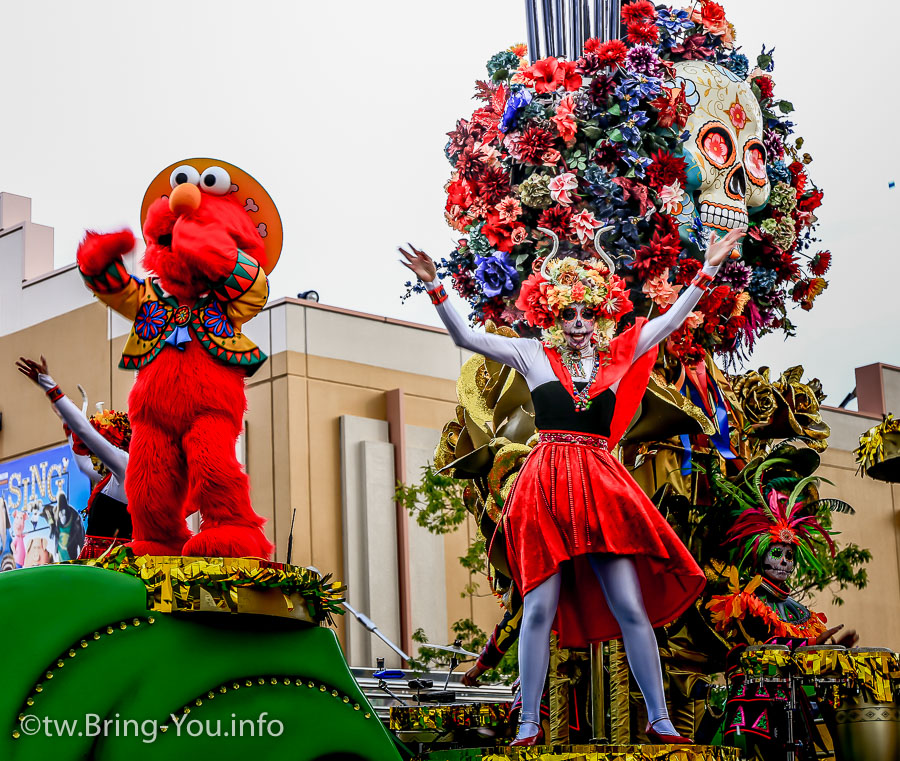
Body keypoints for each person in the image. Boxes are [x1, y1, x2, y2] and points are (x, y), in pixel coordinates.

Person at [401, 226, 745, 745]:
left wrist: (709, 267)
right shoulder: (533, 354)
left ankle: (660, 719)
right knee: (538, 607)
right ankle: (528, 724)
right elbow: (465, 338)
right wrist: (436, 286)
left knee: (631, 606)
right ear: (551, 314)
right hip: (545, 483)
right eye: (568, 314)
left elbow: (671, 319)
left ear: (601, 312)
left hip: (602, 485)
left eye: (587, 313)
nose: (579, 323)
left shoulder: (621, 351)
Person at [16, 355, 132, 557]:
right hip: (101, 564)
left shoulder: (125, 467)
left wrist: (49, 385)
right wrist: (67, 421)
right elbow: (82, 463)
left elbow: (85, 432)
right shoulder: (111, 480)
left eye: (102, 444)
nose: (95, 450)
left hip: (113, 567)